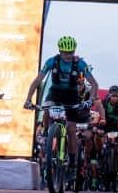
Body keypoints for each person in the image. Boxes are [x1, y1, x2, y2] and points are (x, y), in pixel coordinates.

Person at [22, 36, 96, 177]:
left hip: (71, 95)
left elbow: (94, 84)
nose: (69, 56)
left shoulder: (80, 63)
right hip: (55, 93)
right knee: (46, 109)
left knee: (71, 128)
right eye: (66, 53)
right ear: (60, 51)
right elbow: (37, 80)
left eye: (71, 52)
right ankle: (47, 133)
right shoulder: (51, 62)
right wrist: (28, 99)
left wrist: (90, 100)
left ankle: (73, 162)